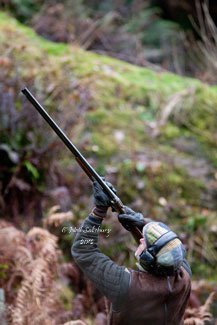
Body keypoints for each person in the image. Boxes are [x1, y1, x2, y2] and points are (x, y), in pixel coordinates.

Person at [71, 181, 191, 325]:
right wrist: (143, 223)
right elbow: (173, 247)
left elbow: (83, 251)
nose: (141, 241)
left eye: (144, 242)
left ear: (148, 259)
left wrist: (98, 212)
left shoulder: (126, 286)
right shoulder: (184, 277)